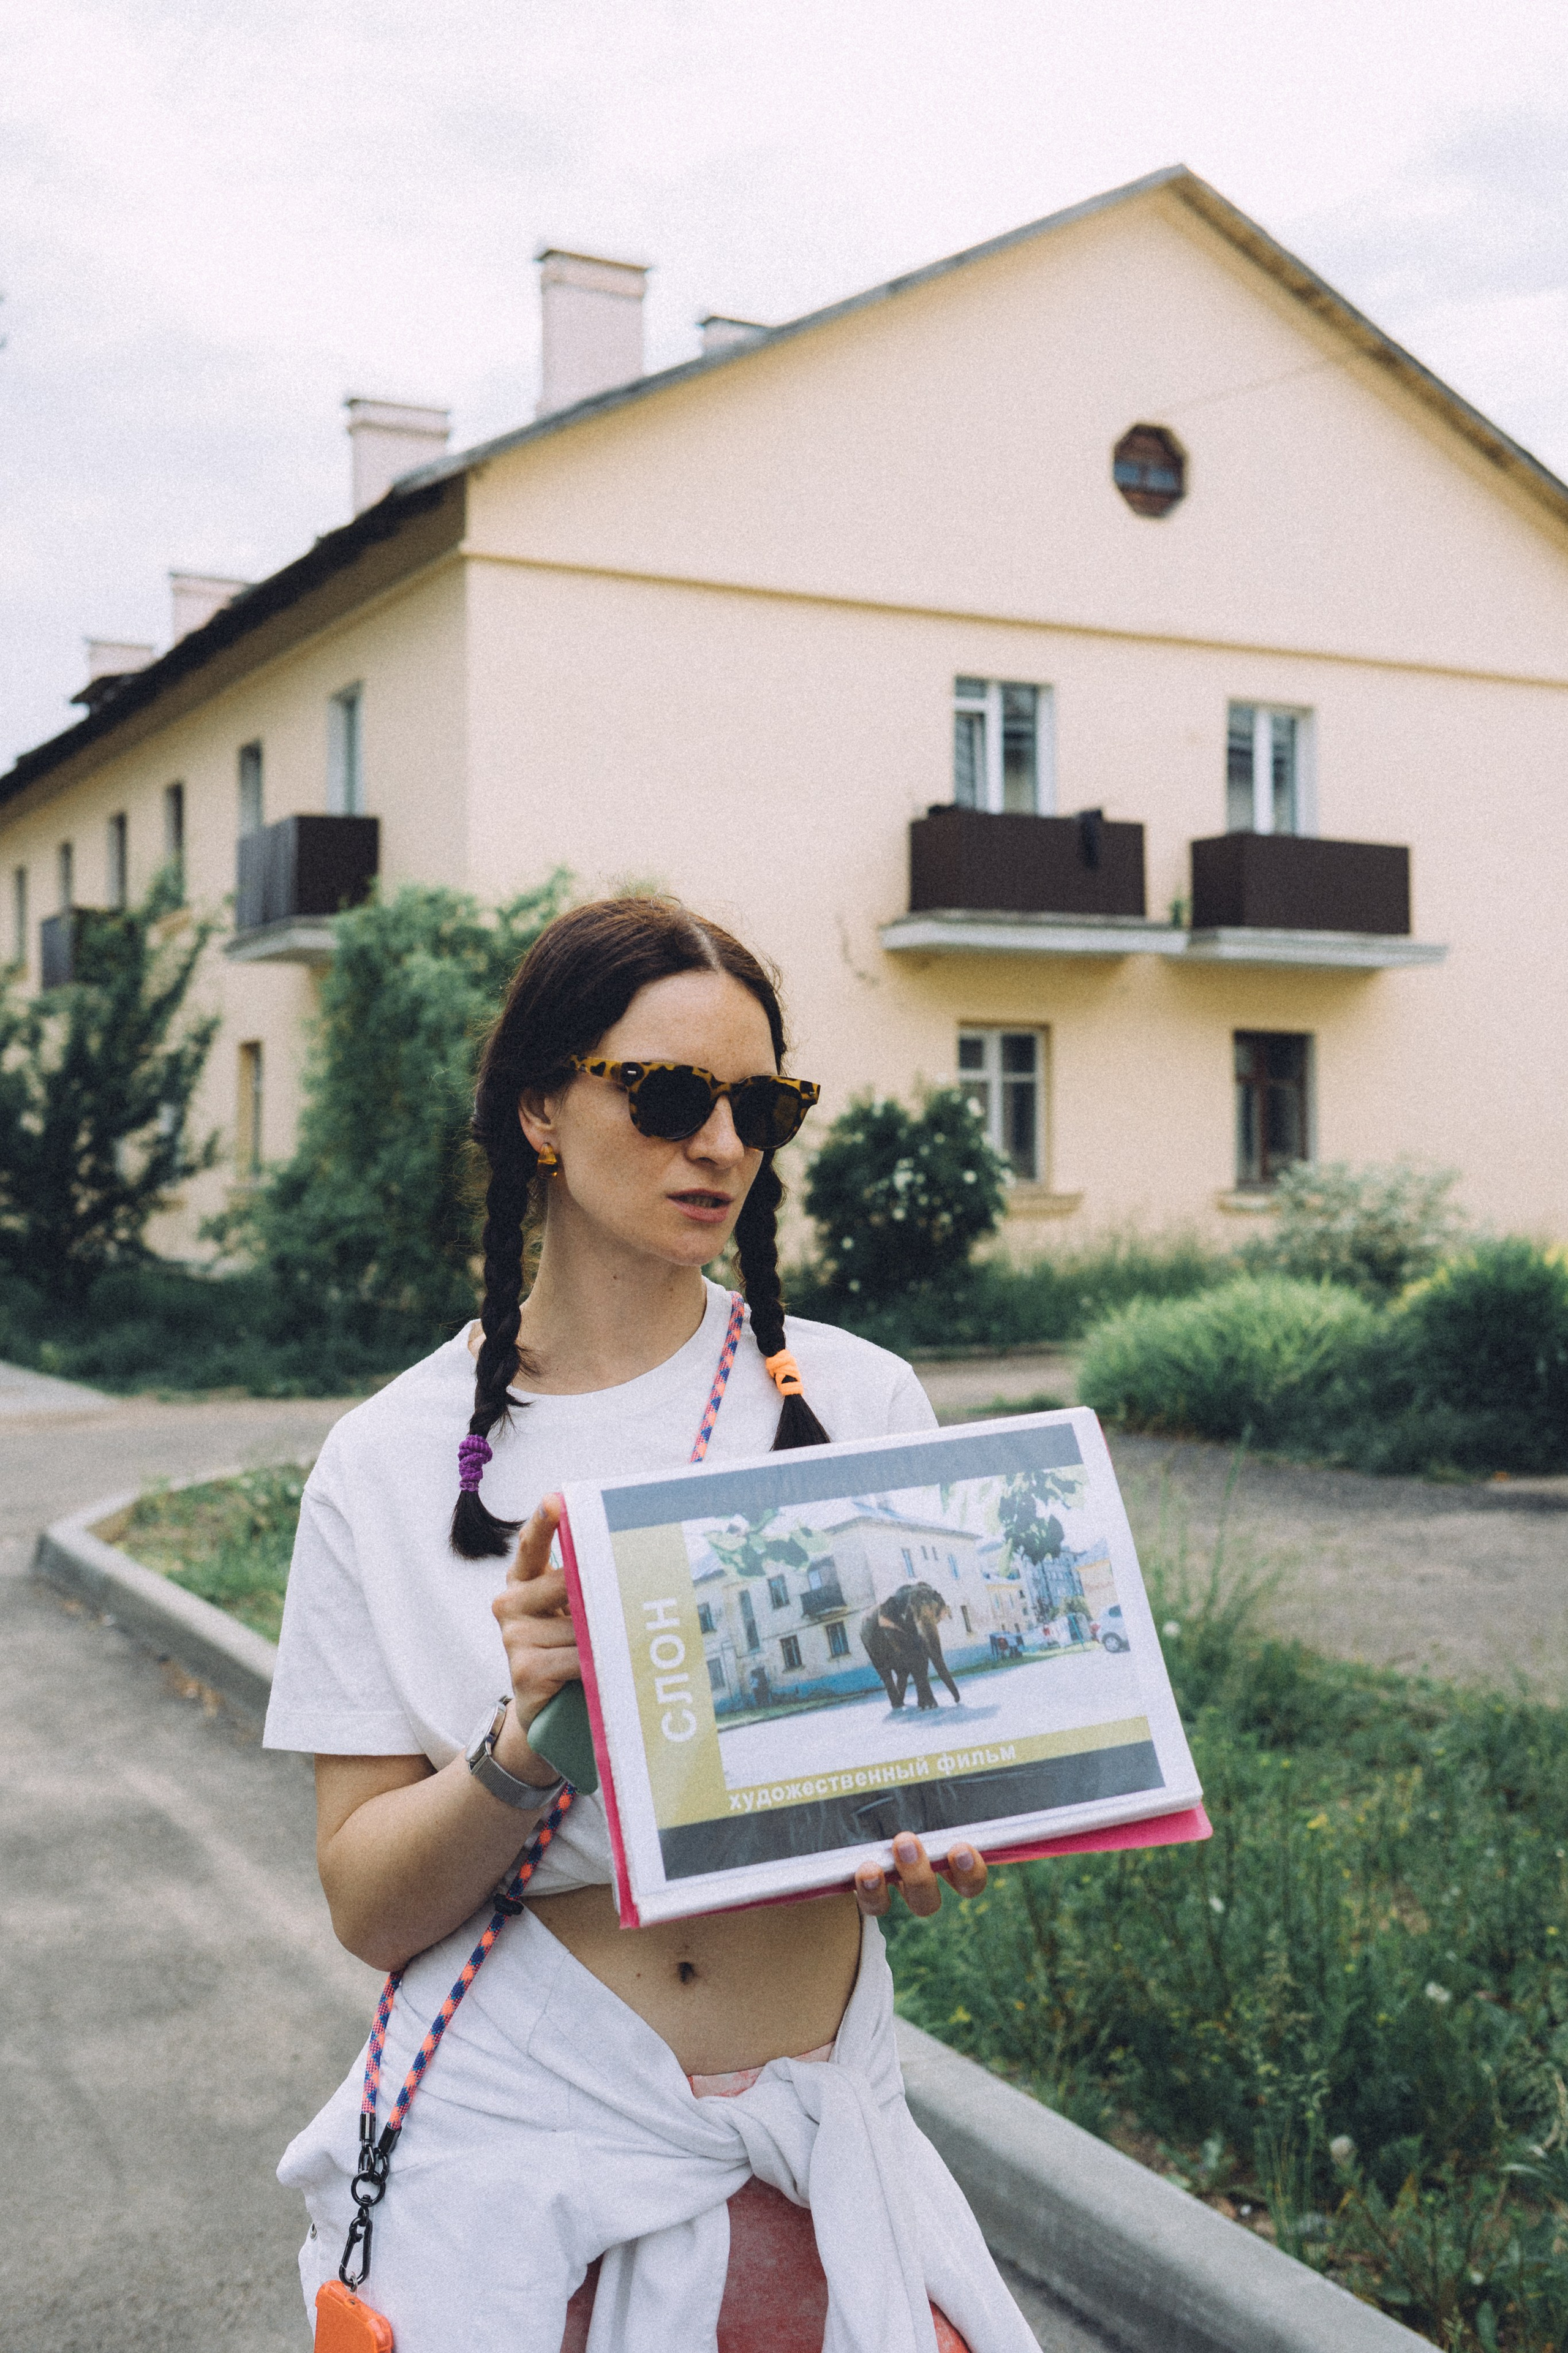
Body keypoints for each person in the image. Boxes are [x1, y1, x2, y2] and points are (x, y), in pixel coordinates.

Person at [264, 897, 1037, 2353]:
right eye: (673, 1094)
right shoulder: (387, 1457)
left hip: (818, 2146)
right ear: (542, 1109)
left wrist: (928, 1829)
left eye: (763, 1104)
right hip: (514, 2156)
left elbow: (922, 1751)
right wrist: (524, 1743)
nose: (723, 1144)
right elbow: (367, 1901)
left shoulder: (854, 1406)